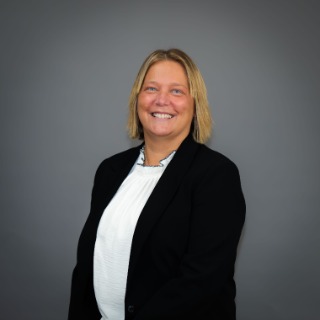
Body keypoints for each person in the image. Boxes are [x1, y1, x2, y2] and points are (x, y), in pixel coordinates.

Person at [68, 48, 246, 320]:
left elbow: (201, 282)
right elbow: (86, 269)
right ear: (137, 99)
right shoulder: (110, 171)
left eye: (176, 91)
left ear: (195, 103)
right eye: (151, 88)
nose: (161, 100)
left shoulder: (216, 175)